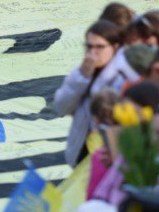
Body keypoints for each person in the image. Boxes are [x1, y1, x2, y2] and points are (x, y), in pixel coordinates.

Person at [53, 20, 139, 166]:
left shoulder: (125, 76)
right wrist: (81, 78)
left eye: (99, 47)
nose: (93, 52)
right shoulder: (83, 71)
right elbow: (61, 107)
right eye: (89, 46)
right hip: (82, 156)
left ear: (115, 46)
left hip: (110, 159)